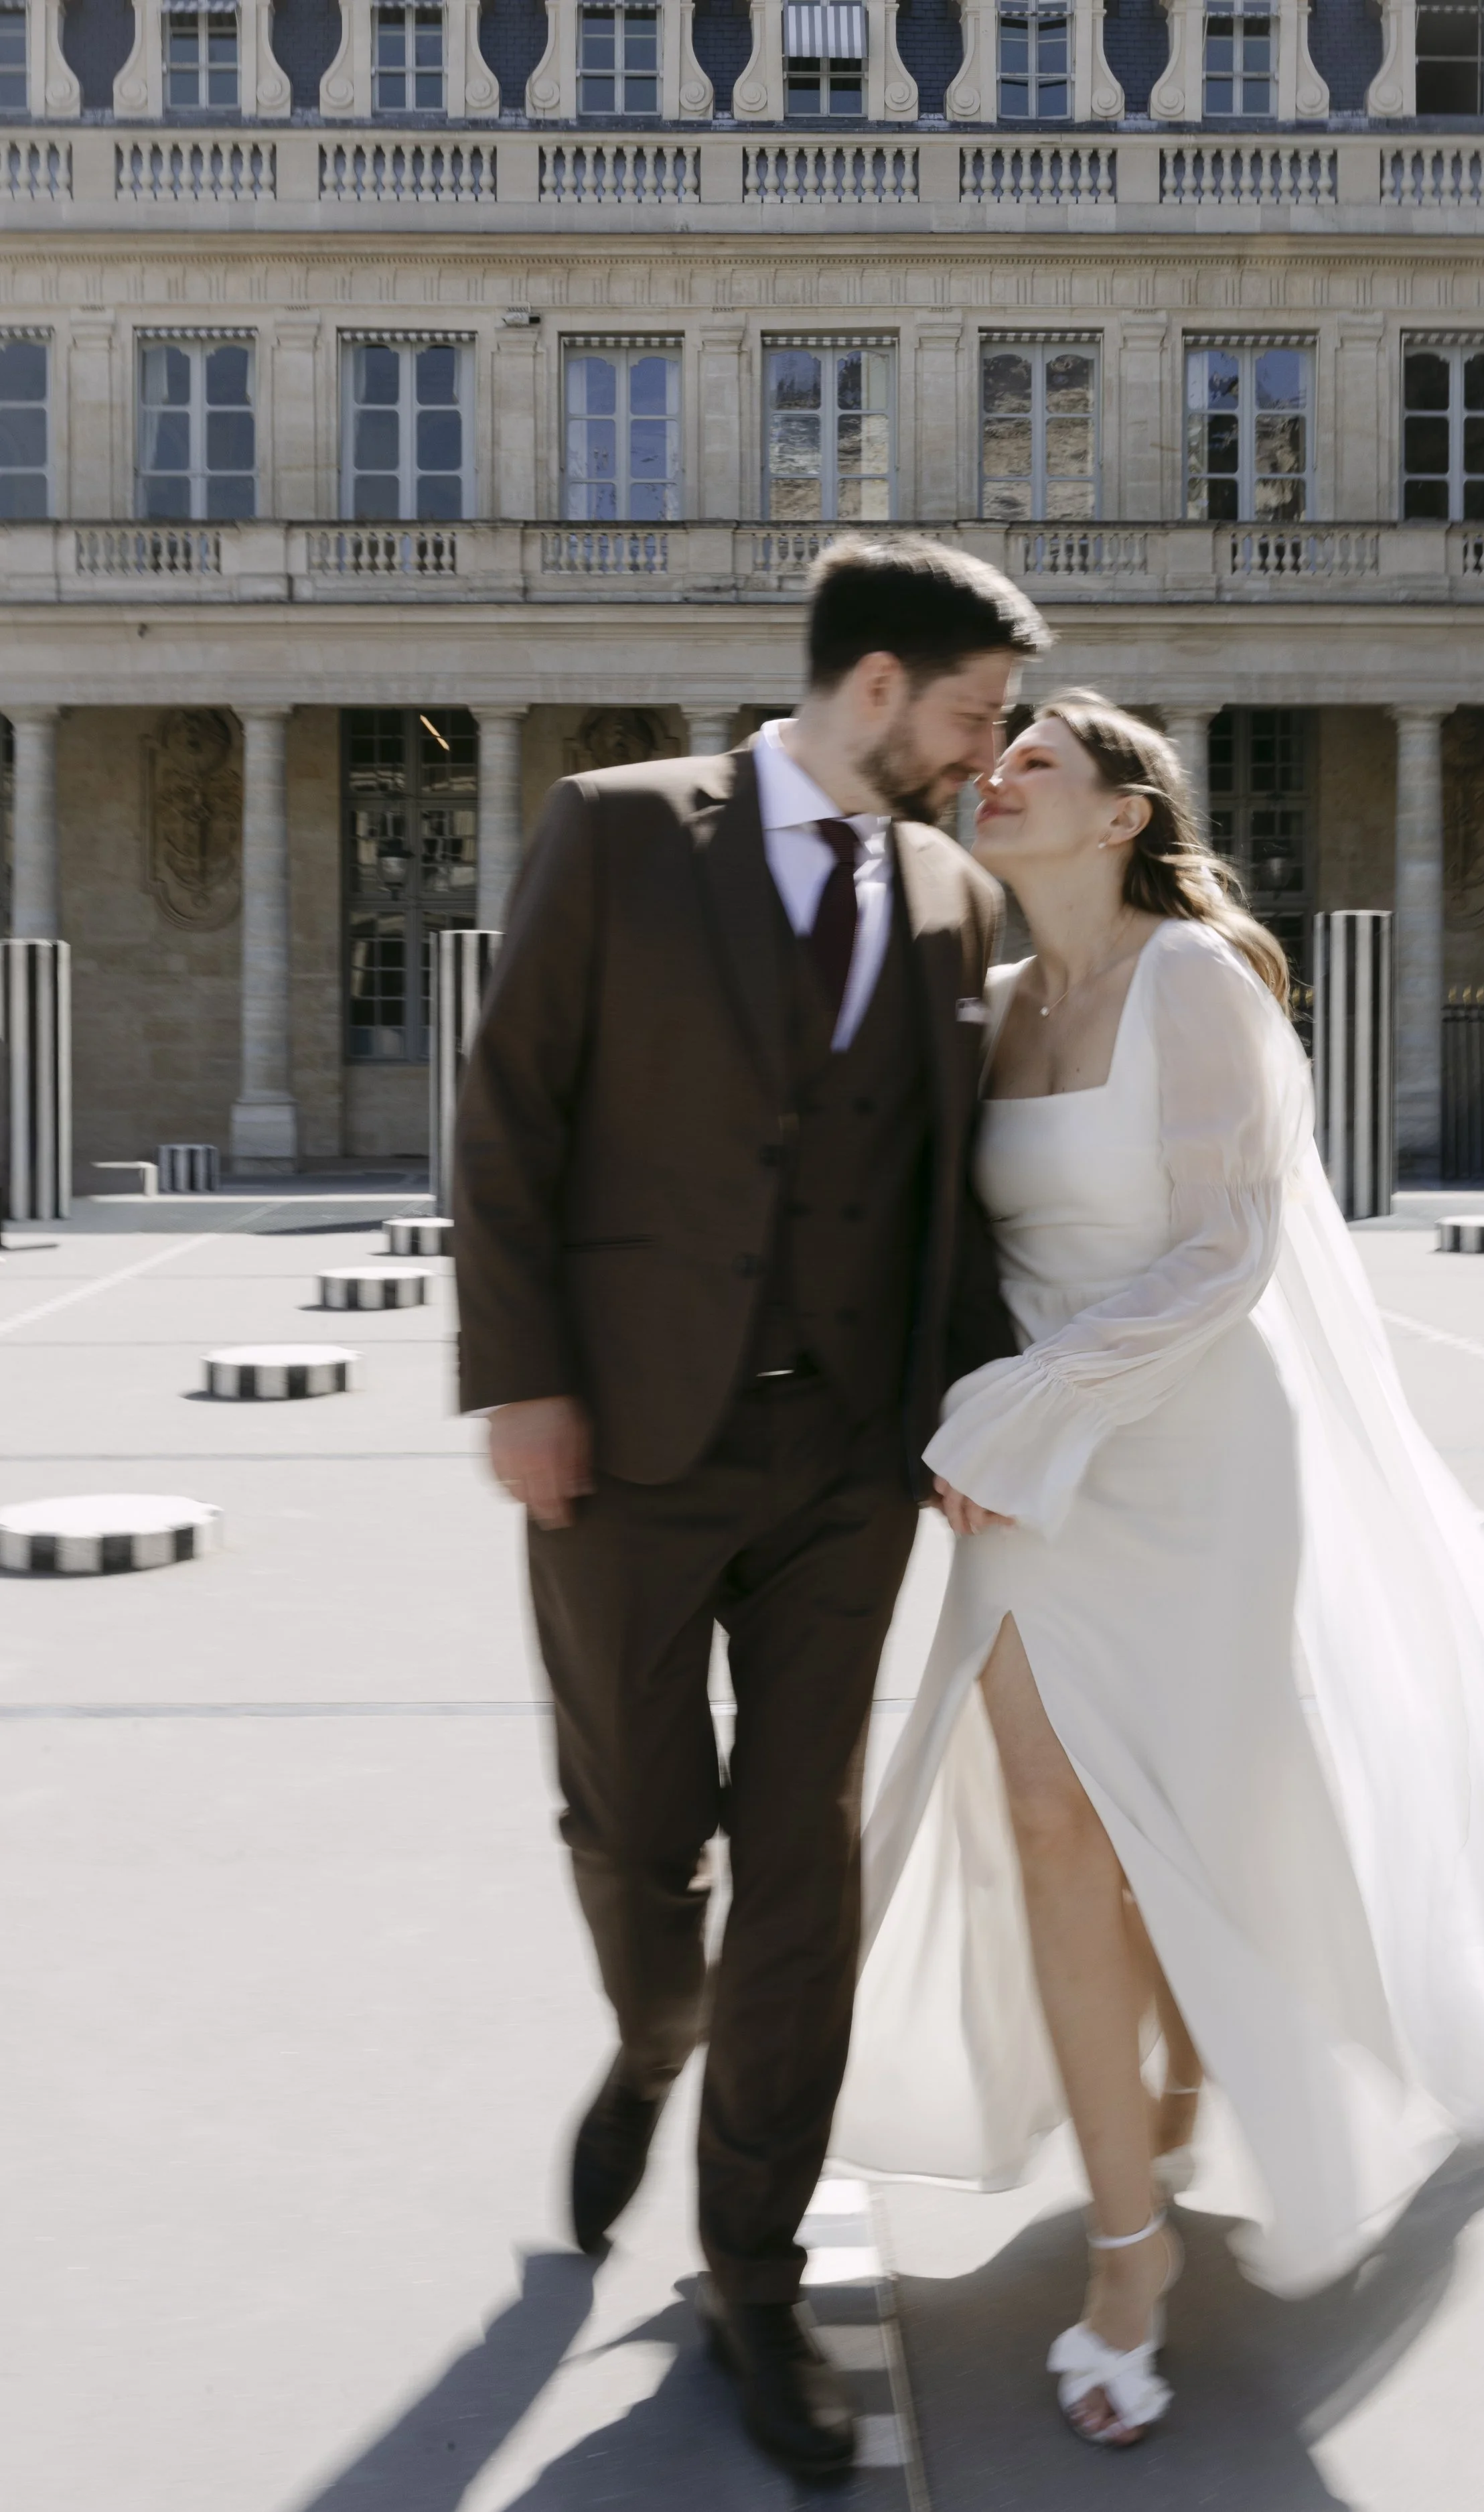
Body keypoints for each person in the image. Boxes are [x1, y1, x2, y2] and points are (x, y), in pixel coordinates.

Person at [833, 694, 1484, 2449]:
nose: (997, 773)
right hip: (1034, 1458)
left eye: (1035, 760)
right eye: (997, 760)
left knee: (1178, 1818)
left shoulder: (1194, 979)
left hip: (1189, 1443)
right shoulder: (993, 1004)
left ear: (1125, 814)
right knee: (1047, 1815)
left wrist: (1030, 1400)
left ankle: (1188, 2078)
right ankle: (1126, 2241)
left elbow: (1228, 1248)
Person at [449, 538, 1049, 2482]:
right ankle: (650, 2031)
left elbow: (944, 1187)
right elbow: (510, 1109)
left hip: (845, 1466)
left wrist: (969, 1423)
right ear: (875, 686)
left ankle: (751, 2275)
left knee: (805, 1855)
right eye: (971, 715)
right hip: (616, 1442)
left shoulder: (952, 896)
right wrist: (518, 1378)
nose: (986, 757)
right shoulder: (620, 831)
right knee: (641, 1822)